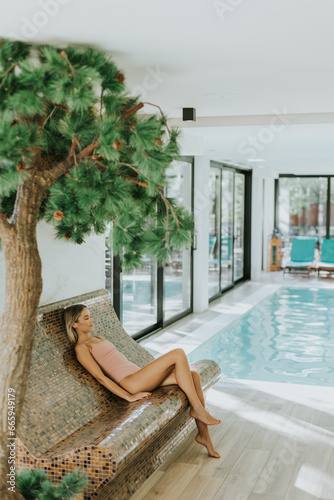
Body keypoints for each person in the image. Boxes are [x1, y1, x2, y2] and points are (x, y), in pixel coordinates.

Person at [64, 304, 221, 458]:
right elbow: (101, 378)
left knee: (194, 376)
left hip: (138, 374)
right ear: (74, 324)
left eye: (90, 316)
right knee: (178, 353)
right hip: (131, 382)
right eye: (86, 318)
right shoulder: (81, 348)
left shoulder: (97, 338)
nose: (91, 320)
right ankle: (197, 409)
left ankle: (203, 435)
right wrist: (128, 396)